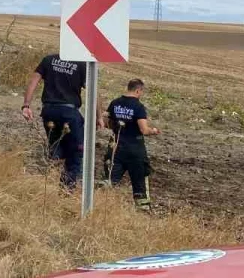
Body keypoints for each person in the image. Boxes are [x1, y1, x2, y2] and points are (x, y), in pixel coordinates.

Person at [20, 53, 94, 189]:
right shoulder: (82, 65)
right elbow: (93, 91)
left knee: (56, 145)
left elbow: (34, 81)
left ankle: (52, 173)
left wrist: (26, 105)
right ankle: (67, 189)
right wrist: (99, 116)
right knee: (76, 151)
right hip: (69, 113)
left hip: (49, 111)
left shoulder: (49, 59)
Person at [104, 79, 160, 208]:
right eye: (141, 92)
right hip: (135, 149)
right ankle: (143, 209)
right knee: (139, 183)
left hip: (116, 146)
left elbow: (107, 123)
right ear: (138, 90)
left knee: (110, 180)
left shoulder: (115, 103)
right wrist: (154, 131)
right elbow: (144, 130)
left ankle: (103, 205)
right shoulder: (138, 107)